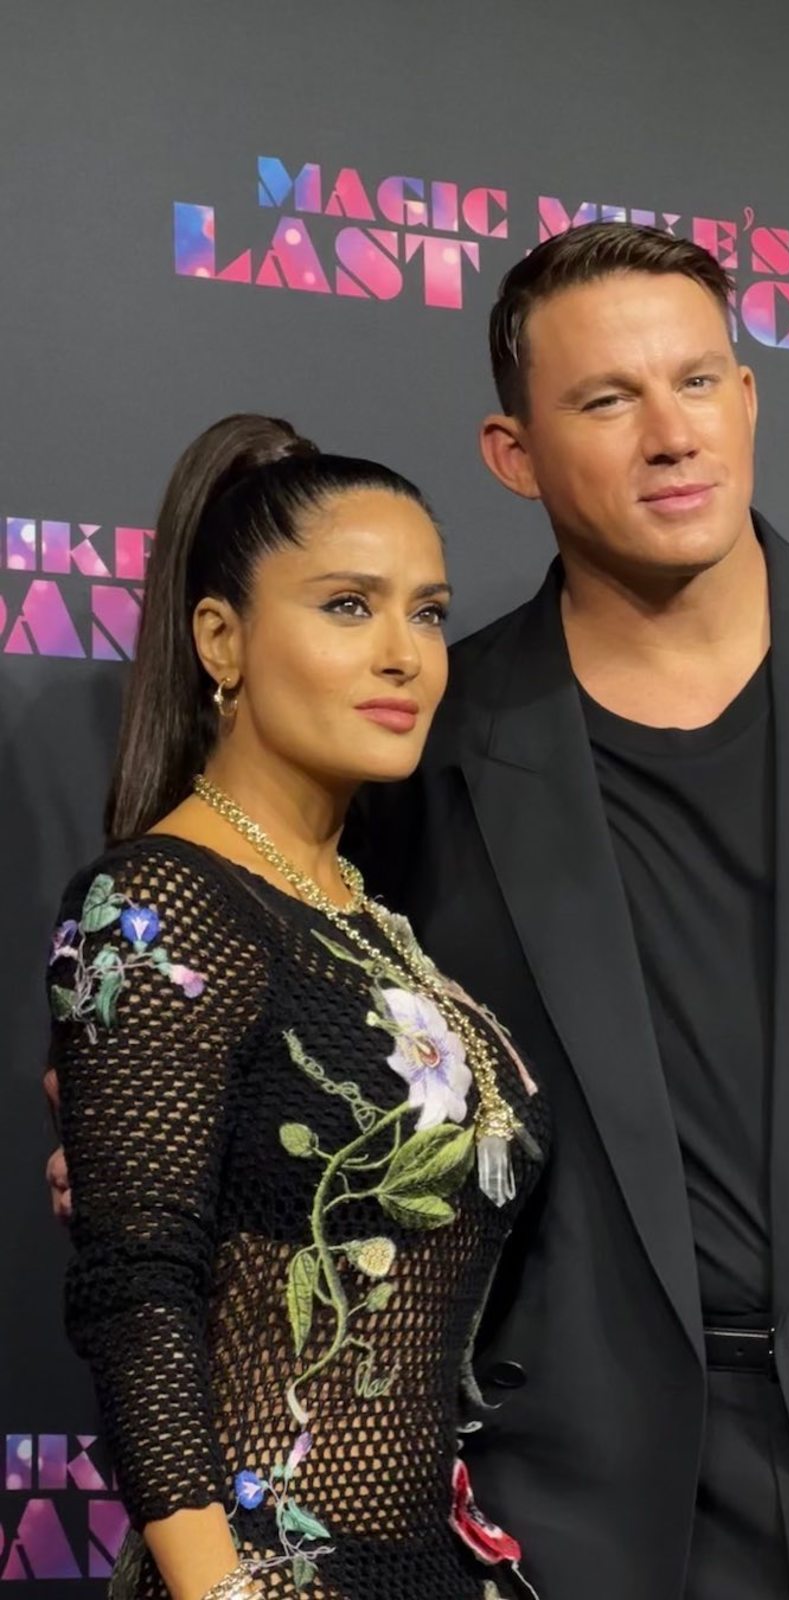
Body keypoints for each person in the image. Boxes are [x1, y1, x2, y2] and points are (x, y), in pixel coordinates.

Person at [49, 223, 789, 1600]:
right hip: (592, 1501)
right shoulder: (428, 739)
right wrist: (160, 1141)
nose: (670, 435)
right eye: (605, 399)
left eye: (697, 382)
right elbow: (305, 1031)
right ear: (512, 452)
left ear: (748, 399)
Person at [43, 415, 547, 1600]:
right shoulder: (156, 903)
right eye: (348, 606)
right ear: (220, 638)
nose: (404, 654)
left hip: (432, 1567)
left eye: (428, 611)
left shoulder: (367, 913)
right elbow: (134, 1293)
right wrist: (221, 1592)